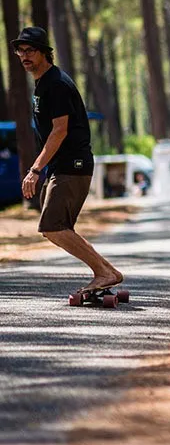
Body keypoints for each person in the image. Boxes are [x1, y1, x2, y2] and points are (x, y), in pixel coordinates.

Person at [13, 26, 124, 293]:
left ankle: (104, 272)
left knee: (52, 226)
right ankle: (107, 272)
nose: (24, 56)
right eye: (20, 51)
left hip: (72, 165)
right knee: (56, 226)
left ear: (44, 53)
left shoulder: (56, 84)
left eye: (30, 50)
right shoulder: (43, 83)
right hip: (64, 166)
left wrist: (35, 169)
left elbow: (59, 130)